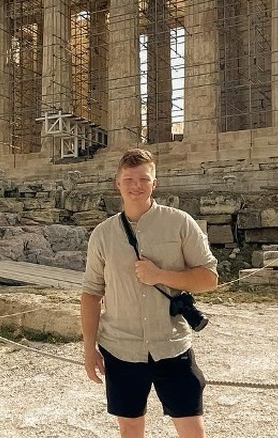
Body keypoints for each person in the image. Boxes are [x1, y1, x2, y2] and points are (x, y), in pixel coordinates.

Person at [81, 148, 218, 438]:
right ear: (117, 183)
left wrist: (161, 276)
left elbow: (209, 278)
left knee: (191, 427)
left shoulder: (180, 223)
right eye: (129, 179)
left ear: (155, 183)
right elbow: (91, 293)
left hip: (171, 344)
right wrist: (89, 349)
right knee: (130, 427)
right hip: (121, 348)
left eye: (144, 179)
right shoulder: (103, 235)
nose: (136, 186)